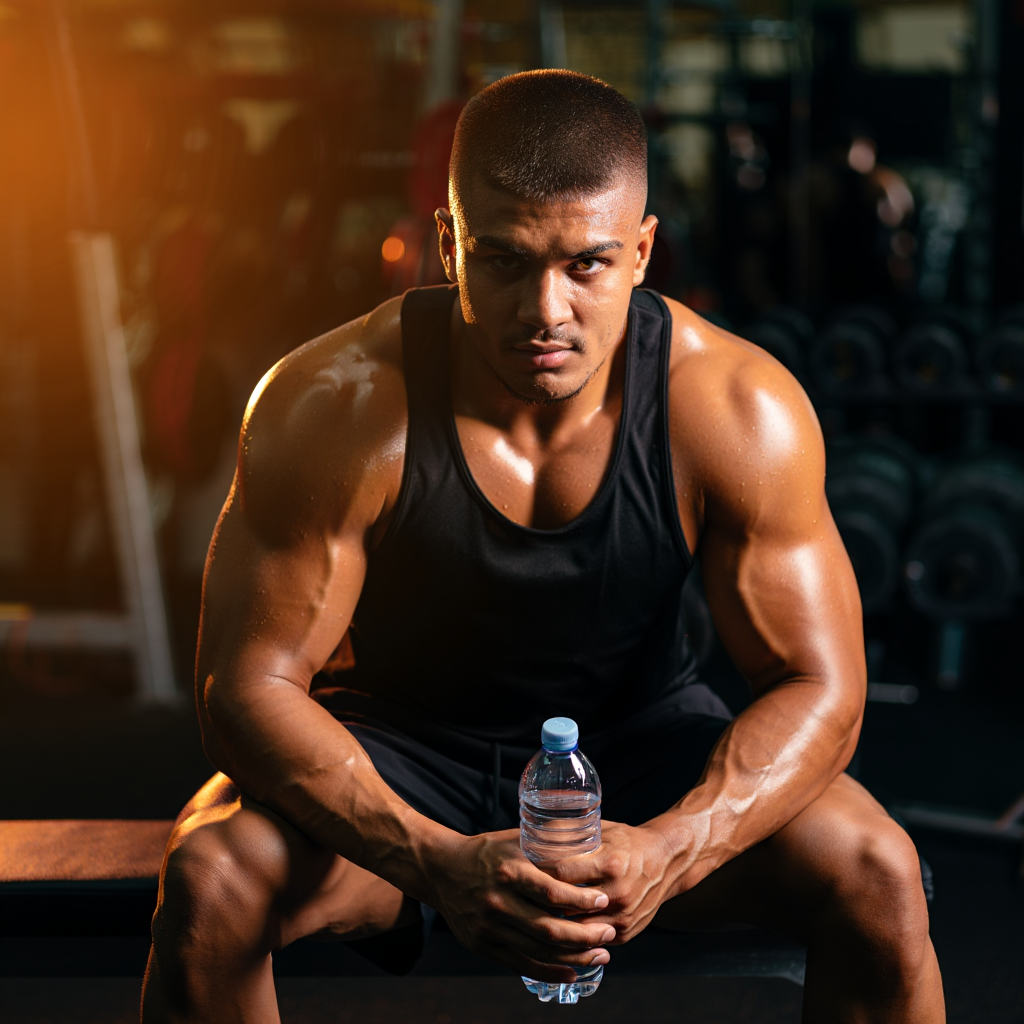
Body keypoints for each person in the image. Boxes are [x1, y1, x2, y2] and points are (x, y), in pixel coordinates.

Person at [141, 71, 944, 1023]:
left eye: (587, 265)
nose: (545, 311)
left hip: (641, 748)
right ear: (449, 247)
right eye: (505, 261)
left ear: (644, 251)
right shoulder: (334, 407)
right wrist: (432, 860)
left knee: (877, 872)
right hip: (398, 752)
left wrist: (677, 844)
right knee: (213, 881)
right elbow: (244, 691)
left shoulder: (735, 411)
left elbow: (824, 687)